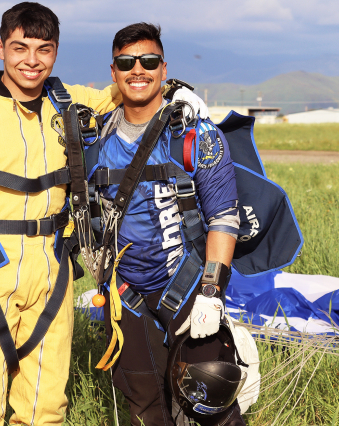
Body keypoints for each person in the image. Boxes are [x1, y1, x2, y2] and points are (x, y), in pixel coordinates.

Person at [0, 2, 207, 426]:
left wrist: (171, 89)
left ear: (56, 52)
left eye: (43, 49)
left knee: (45, 412)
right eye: (19, 47)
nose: (31, 60)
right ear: (0, 48)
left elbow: (127, 87)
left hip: (53, 274)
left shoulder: (70, 102)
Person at [89, 23, 244, 425]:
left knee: (211, 395)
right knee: (143, 406)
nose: (137, 70)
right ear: (113, 72)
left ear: (163, 68)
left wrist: (212, 290)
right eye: (126, 62)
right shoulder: (95, 141)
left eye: (148, 61)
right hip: (126, 295)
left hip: (189, 284)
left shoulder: (194, 134)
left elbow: (225, 218)